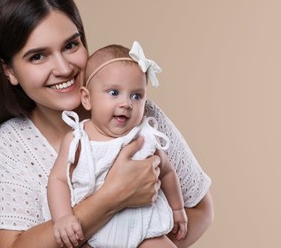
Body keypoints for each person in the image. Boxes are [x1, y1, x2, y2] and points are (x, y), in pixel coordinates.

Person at [0, 0, 213, 247]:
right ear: (9, 70)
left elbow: (200, 210)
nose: (64, 68)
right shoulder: (13, 143)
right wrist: (111, 197)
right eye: (38, 56)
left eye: (70, 45)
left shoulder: (141, 117)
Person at [48, 42, 188, 248]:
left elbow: (167, 172)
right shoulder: (79, 139)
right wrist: (62, 217)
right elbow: (58, 179)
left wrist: (177, 209)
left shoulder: (143, 137)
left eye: (136, 96)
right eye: (114, 93)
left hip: (144, 231)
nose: (126, 103)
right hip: (93, 230)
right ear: (87, 99)